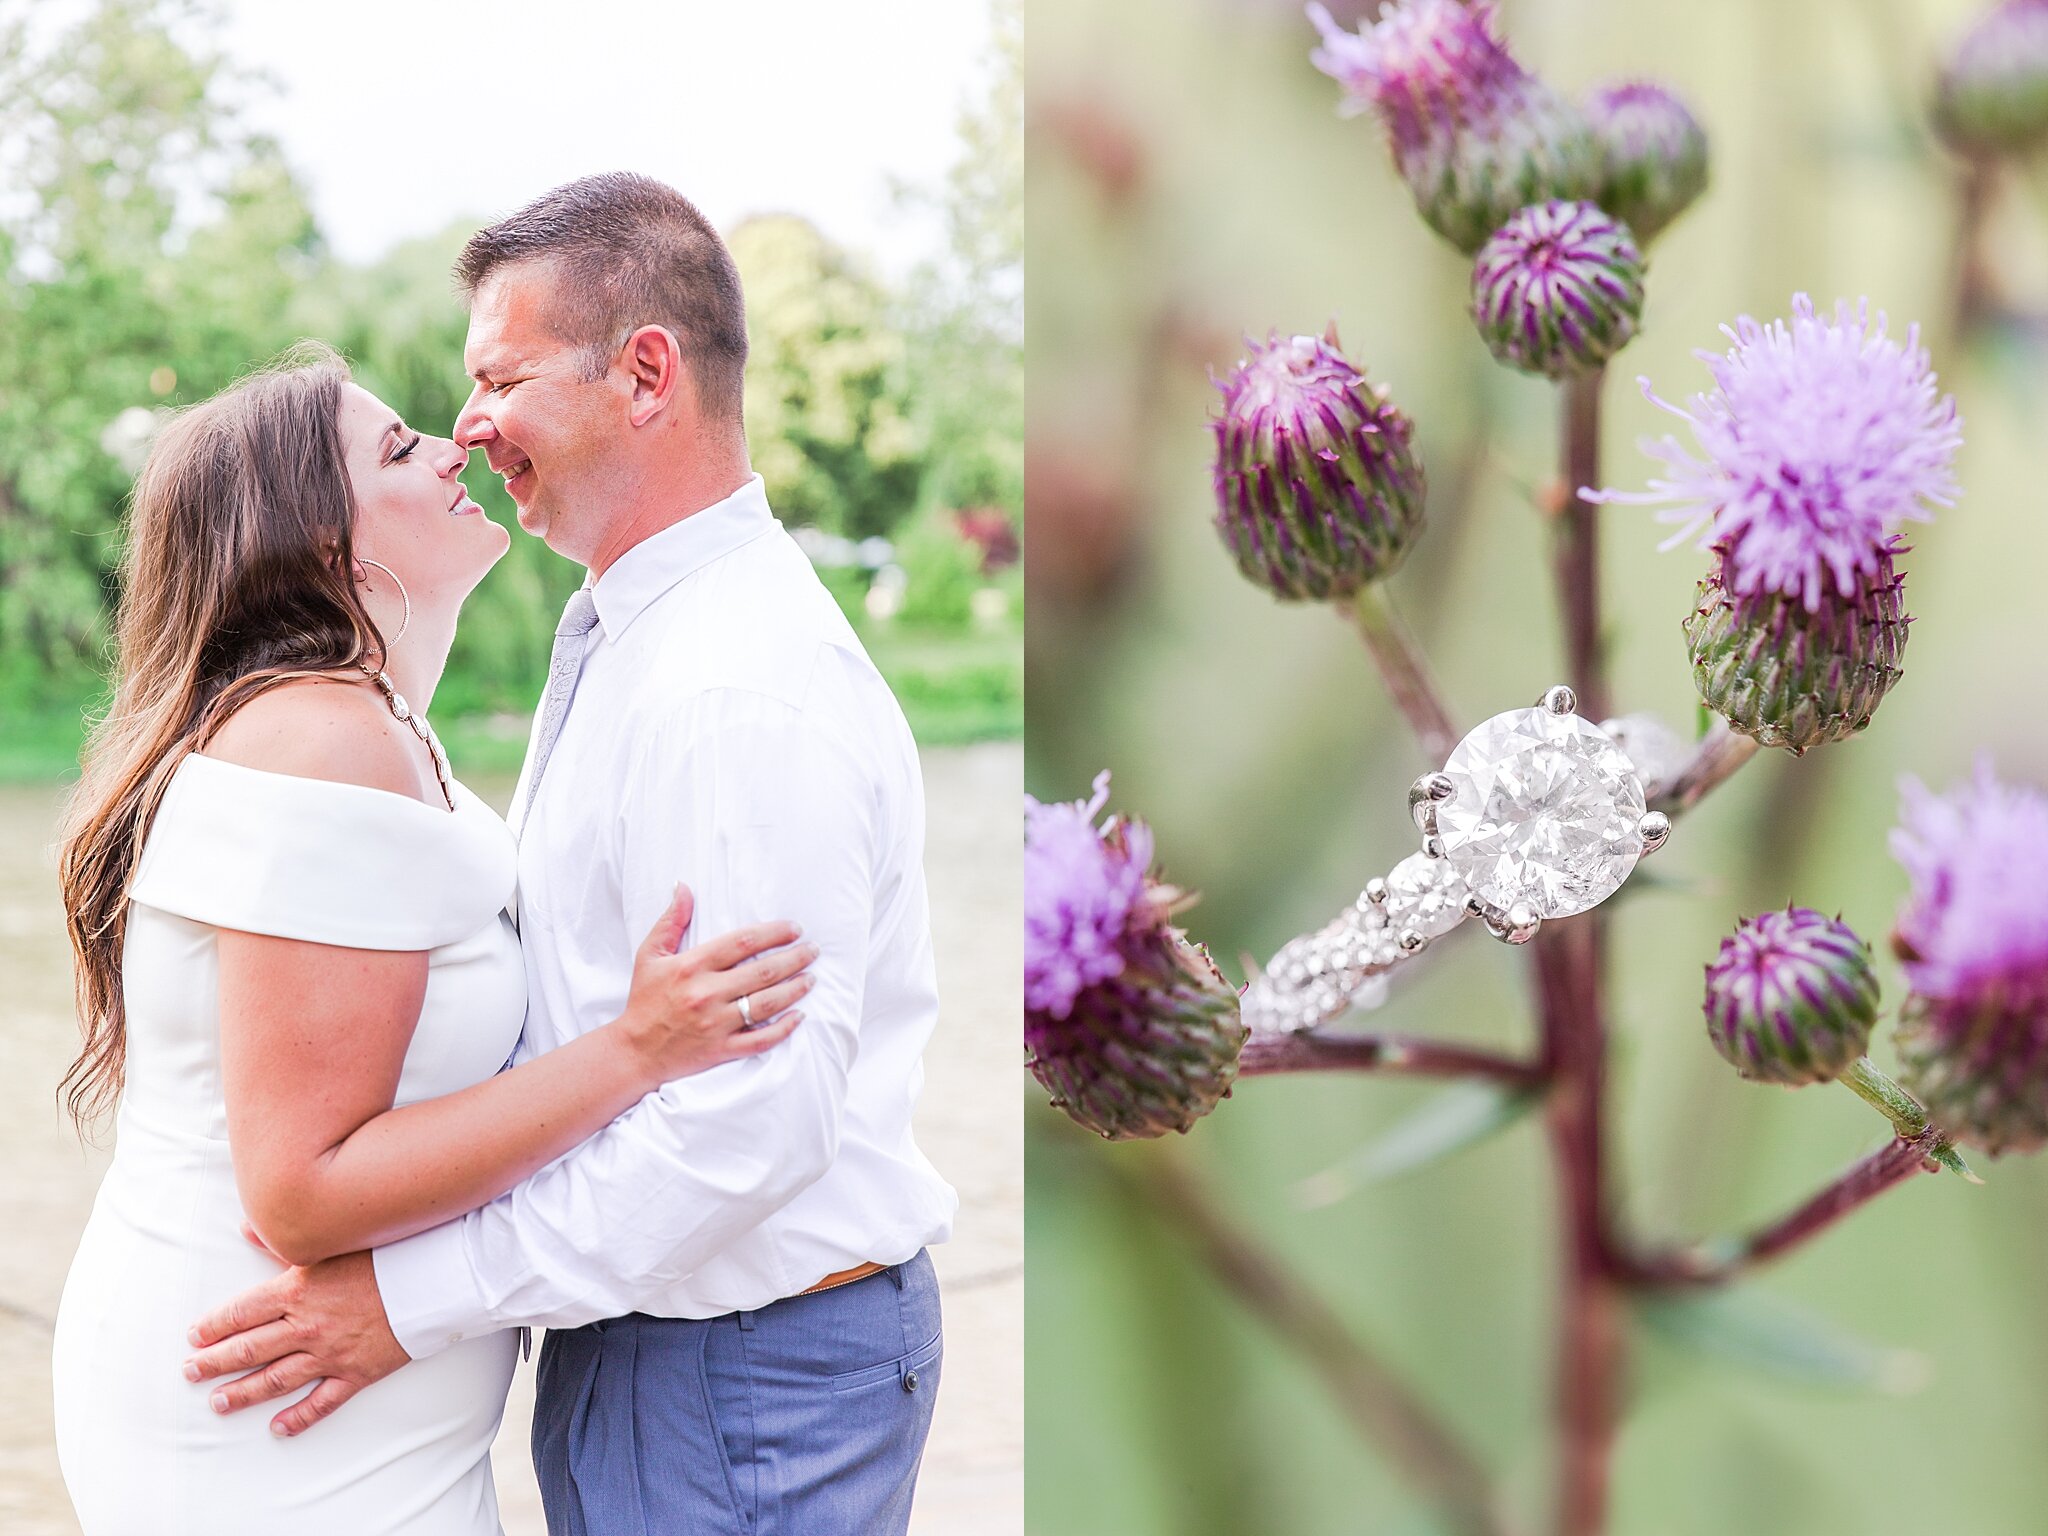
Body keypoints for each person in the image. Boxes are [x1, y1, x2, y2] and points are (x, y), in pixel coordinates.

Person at [182, 174, 960, 1535]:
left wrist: (409, 1304)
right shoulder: (638, 632)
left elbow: (749, 1129)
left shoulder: (733, 689)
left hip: (745, 1370)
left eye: (500, 377)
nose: (472, 428)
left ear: (646, 372)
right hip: (665, 1346)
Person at [50, 340, 818, 1534]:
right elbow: (302, 1193)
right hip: (276, 1400)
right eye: (398, 447)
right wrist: (635, 1050)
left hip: (329, 1400)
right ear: (326, 544)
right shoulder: (323, 742)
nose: (455, 440)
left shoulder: (368, 725)